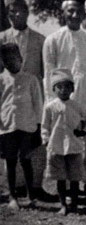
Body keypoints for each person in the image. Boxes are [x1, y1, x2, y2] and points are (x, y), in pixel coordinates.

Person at [43, 0, 86, 202]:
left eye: (78, 11)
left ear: (83, 14)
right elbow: (48, 74)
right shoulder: (53, 40)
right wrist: (51, 106)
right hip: (64, 102)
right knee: (65, 146)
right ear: (63, 13)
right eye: (70, 11)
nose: (74, 15)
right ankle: (68, 192)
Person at [0, 0, 53, 202]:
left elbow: (46, 71)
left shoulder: (41, 40)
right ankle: (13, 189)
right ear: (7, 13)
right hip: (9, 98)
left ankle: (36, 187)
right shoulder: (2, 38)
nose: (16, 15)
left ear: (27, 12)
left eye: (20, 11)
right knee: (10, 143)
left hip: (34, 96)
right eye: (12, 11)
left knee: (35, 142)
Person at [42, 68, 86, 215]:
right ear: (54, 89)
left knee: (74, 177)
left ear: (72, 88)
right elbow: (45, 126)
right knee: (60, 178)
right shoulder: (50, 107)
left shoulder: (77, 106)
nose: (63, 90)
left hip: (74, 146)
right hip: (57, 146)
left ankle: (75, 204)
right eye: (59, 87)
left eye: (67, 87)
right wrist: (46, 140)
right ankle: (63, 204)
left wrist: (84, 131)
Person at [0, 43, 42, 209]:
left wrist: (38, 127)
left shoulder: (31, 79)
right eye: (7, 60)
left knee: (26, 160)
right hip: (7, 127)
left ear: (21, 59)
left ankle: (31, 195)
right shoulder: (1, 80)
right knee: (10, 162)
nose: (11, 62)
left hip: (27, 126)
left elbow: (38, 104)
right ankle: (12, 197)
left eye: (14, 58)